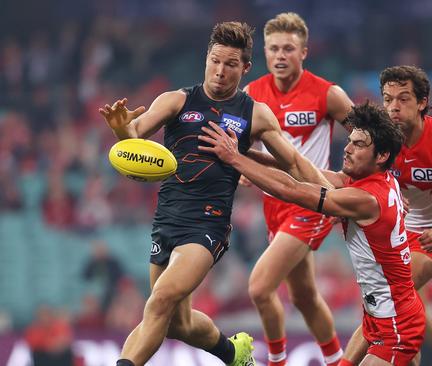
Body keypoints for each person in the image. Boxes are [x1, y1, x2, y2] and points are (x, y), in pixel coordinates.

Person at [98, 21, 332, 366]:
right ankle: (233, 352)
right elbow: (133, 146)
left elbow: (294, 164)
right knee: (178, 323)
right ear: (206, 58)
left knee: (158, 300)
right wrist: (121, 129)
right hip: (166, 219)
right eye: (215, 61)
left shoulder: (255, 114)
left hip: (208, 224)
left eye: (231, 64)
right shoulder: (175, 100)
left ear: (245, 68)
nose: (220, 71)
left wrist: (330, 198)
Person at [199, 102, 425, 366]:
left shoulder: (366, 198)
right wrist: (245, 152)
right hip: (379, 316)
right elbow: (299, 168)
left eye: (359, 145)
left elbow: (292, 190)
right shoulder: (372, 182)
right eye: (349, 141)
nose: (348, 149)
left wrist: (235, 160)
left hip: (395, 324)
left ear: (382, 155)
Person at [341, 65, 432, 365]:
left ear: (422, 102)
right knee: (398, 314)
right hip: (393, 231)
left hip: (431, 236)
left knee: (387, 302)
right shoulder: (380, 141)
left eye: (404, 98)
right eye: (388, 99)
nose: (394, 107)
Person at [242, 12, 354, 366]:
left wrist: (347, 178)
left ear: (304, 52)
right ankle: (337, 360)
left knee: (260, 287)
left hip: (312, 201)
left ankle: (276, 360)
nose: (280, 55)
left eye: (288, 48)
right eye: (273, 48)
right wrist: (246, 167)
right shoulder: (251, 94)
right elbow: (242, 145)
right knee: (304, 296)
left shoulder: (328, 94)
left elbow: (370, 139)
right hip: (274, 203)